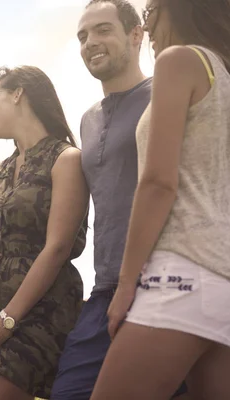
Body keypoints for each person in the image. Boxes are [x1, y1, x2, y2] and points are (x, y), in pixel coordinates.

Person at [92, 0, 230, 398]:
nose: (147, 23)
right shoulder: (223, 75)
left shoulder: (179, 61)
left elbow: (157, 183)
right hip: (221, 281)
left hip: (180, 274)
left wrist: (125, 285)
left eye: (151, 10)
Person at [49, 1, 160, 398]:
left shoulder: (165, 95)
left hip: (162, 285)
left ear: (136, 35)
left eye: (102, 30)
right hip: (104, 291)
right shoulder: (88, 119)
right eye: (82, 36)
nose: (90, 43)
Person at [0, 65, 89, 400]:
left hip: (38, 314)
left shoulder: (65, 159)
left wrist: (7, 322)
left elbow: (57, 248)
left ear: (19, 94)